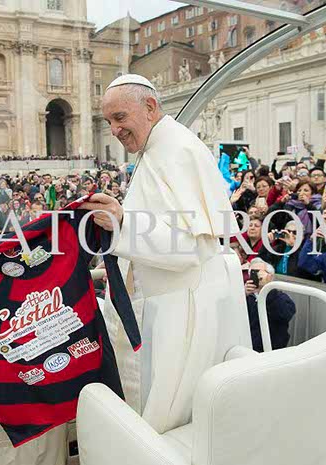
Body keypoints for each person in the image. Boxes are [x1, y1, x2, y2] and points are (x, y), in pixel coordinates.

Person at [79, 74, 249, 432]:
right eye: (108, 121)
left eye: (120, 117)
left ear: (150, 107)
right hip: (159, 305)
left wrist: (122, 221)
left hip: (175, 315)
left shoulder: (177, 151)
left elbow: (190, 246)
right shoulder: (155, 148)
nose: (114, 130)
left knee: (163, 424)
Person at [244, 258, 296, 352]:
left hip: (272, 350)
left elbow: (285, 314)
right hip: (248, 348)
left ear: (270, 276)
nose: (256, 275)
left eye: (258, 271)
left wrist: (268, 290)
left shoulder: (280, 297)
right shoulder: (246, 297)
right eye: (252, 272)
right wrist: (243, 295)